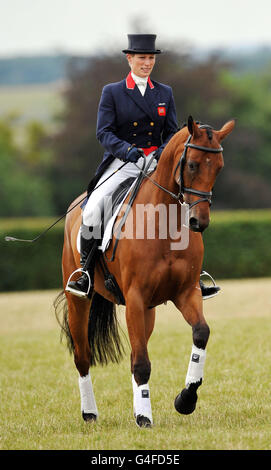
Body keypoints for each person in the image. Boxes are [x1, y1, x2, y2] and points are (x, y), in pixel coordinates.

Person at [66, 34, 220, 300]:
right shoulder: (112, 92)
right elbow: (104, 132)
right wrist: (128, 151)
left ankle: (195, 275)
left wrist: (160, 153)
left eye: (151, 58)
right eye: (142, 58)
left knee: (185, 206)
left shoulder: (164, 92)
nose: (147, 63)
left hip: (157, 164)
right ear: (130, 59)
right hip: (123, 162)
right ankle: (86, 272)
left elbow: (173, 133)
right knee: (93, 208)